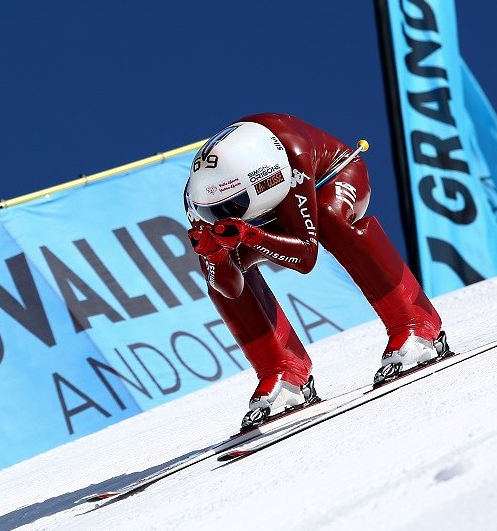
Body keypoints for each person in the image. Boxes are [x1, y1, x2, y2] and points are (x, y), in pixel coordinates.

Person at [184, 113, 447, 429]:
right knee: (216, 256)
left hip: (332, 177)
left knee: (329, 215)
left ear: (264, 180)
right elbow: (229, 287)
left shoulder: (289, 155)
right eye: (215, 211)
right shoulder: (199, 198)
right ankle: (283, 373)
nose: (222, 215)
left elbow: (306, 256)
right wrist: (216, 259)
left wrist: (251, 234)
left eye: (235, 204)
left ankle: (418, 326)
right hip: (271, 207)